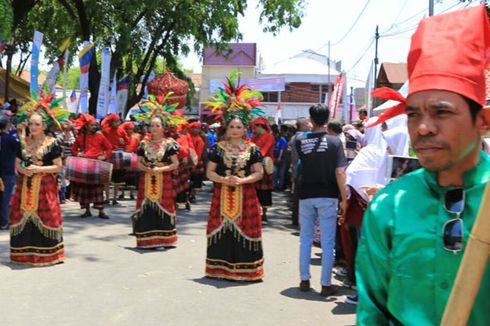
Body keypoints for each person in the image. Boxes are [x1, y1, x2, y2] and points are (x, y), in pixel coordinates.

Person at [356, 6, 490, 325]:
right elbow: (372, 311)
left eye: (441, 112)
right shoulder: (389, 206)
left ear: (482, 122)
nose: (423, 128)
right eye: (413, 114)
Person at [203, 72, 265, 281]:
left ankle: (247, 271)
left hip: (246, 195)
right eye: (232, 127)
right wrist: (222, 180)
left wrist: (241, 180)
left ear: (245, 128)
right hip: (221, 194)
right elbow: (209, 172)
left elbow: (259, 172)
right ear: (226, 129)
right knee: (221, 229)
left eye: (239, 127)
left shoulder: (253, 149)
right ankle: (218, 270)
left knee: (244, 228)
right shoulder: (217, 148)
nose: (235, 130)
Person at [9, 92, 70, 266]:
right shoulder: (24, 142)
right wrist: (22, 170)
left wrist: (39, 169)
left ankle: (49, 255)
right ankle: (23, 255)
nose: (33, 127)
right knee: (19, 215)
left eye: (37, 124)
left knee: (47, 216)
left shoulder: (52, 143)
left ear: (44, 126)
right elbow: (18, 163)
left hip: (45, 186)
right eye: (31, 123)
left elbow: (58, 166)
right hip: (25, 186)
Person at [296, 104, 347, 297]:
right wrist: (344, 198)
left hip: (306, 194)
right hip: (328, 195)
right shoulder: (335, 142)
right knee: (327, 241)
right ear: (328, 118)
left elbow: (300, 165)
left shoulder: (300, 141)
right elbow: (340, 172)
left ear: (311, 118)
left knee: (305, 240)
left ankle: (304, 279)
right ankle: (325, 284)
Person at [132, 98, 181, 249]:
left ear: (163, 128)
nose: (153, 128)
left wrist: (160, 169)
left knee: (163, 206)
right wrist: (145, 168)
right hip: (146, 179)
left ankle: (164, 240)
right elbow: (138, 162)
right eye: (151, 125)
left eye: (157, 125)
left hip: (163, 178)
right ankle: (146, 240)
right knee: (147, 207)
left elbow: (175, 164)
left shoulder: (169, 144)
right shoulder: (143, 144)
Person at [71, 114, 113, 219]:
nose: (95, 126)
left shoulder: (100, 136)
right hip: (84, 166)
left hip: (96, 166)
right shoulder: (81, 137)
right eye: (92, 125)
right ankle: (87, 210)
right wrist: (78, 154)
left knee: (98, 189)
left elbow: (109, 148)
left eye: (95, 125)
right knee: (84, 189)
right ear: (86, 126)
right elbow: (73, 149)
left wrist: (104, 156)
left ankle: (101, 211)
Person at [251, 117, 275, 223]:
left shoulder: (269, 137)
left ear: (260, 126)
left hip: (264, 167)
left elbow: (264, 151)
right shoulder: (254, 138)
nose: (253, 130)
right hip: (254, 166)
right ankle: (254, 212)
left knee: (264, 191)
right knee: (254, 191)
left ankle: (264, 213)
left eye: (254, 128)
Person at [0, 115, 19, 230]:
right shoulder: (10, 138)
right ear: (7, 125)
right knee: (6, 197)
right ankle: (5, 222)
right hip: (8, 171)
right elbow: (21, 147)